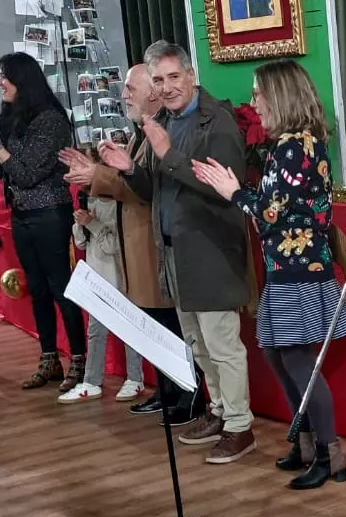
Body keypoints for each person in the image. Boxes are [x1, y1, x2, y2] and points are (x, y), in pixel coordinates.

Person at [192, 59, 346, 489]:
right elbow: (280, 207)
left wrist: (233, 192)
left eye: (259, 94)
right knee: (277, 354)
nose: (254, 103)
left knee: (297, 360)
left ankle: (329, 452)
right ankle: (306, 441)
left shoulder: (294, 147)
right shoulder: (295, 144)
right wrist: (239, 190)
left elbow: (270, 215)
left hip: (298, 269)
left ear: (279, 97)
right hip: (288, 267)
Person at [103, 41, 253, 464]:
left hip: (212, 251)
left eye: (174, 77)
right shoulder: (164, 122)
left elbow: (222, 190)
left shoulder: (217, 122)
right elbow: (156, 192)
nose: (167, 87)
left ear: (191, 75)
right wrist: (131, 169)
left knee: (222, 346)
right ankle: (220, 411)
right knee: (198, 345)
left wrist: (167, 153)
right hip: (175, 254)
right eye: (159, 80)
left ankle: (240, 427)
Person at [62, 64, 199, 424]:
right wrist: (96, 174)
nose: (123, 95)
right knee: (156, 324)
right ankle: (168, 392)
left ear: (152, 93)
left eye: (129, 88)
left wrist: (97, 175)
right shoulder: (141, 133)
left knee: (170, 325)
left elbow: (145, 189)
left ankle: (188, 395)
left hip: (153, 245)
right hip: (136, 245)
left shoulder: (160, 133)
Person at [0, 52, 88, 393]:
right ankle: (49, 359)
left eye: (4, 76)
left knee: (60, 287)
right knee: (37, 289)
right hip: (22, 214)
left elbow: (28, 174)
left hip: (49, 213)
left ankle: (79, 360)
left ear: (23, 79)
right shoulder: (12, 117)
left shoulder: (51, 121)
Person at [62, 186, 144, 402]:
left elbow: (114, 246)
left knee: (128, 329)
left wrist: (92, 223)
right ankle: (91, 381)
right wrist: (80, 224)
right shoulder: (90, 202)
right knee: (95, 332)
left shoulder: (120, 205)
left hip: (120, 279)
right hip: (96, 279)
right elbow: (81, 243)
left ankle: (135, 378)